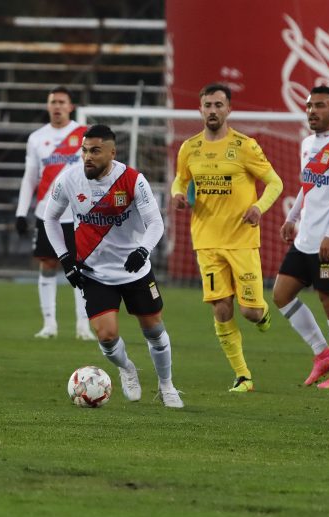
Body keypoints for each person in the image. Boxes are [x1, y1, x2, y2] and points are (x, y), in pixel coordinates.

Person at [43, 124, 184, 408]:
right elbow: (50, 218)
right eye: (84, 151)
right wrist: (65, 258)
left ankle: (167, 385)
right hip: (95, 273)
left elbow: (155, 223)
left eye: (95, 151)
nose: (88, 157)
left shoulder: (133, 180)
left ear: (112, 153)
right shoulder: (69, 179)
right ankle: (127, 368)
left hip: (135, 270)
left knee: (153, 330)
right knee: (106, 337)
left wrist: (143, 250)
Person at [171, 83, 284, 393]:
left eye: (218, 105)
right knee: (221, 308)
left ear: (229, 109)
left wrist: (258, 208)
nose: (213, 110)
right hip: (206, 241)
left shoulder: (245, 146)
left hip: (241, 240)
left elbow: (275, 182)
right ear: (200, 109)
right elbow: (180, 180)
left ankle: (262, 314)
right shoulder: (189, 148)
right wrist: (178, 194)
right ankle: (243, 376)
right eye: (208, 105)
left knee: (250, 312)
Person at [272, 85, 329, 389]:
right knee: (281, 294)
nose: (312, 111)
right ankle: (323, 354)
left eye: (320, 106)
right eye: (310, 106)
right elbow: (307, 185)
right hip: (306, 239)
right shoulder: (308, 144)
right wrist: (292, 217)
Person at [14, 87, 95, 341]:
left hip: (79, 215)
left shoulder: (85, 135)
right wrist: (21, 212)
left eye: (62, 102)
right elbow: (29, 177)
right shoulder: (36, 138)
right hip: (47, 214)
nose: (57, 106)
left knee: (81, 268)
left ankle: (83, 326)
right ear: (48, 106)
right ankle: (49, 324)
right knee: (47, 264)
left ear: (71, 107)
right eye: (53, 102)